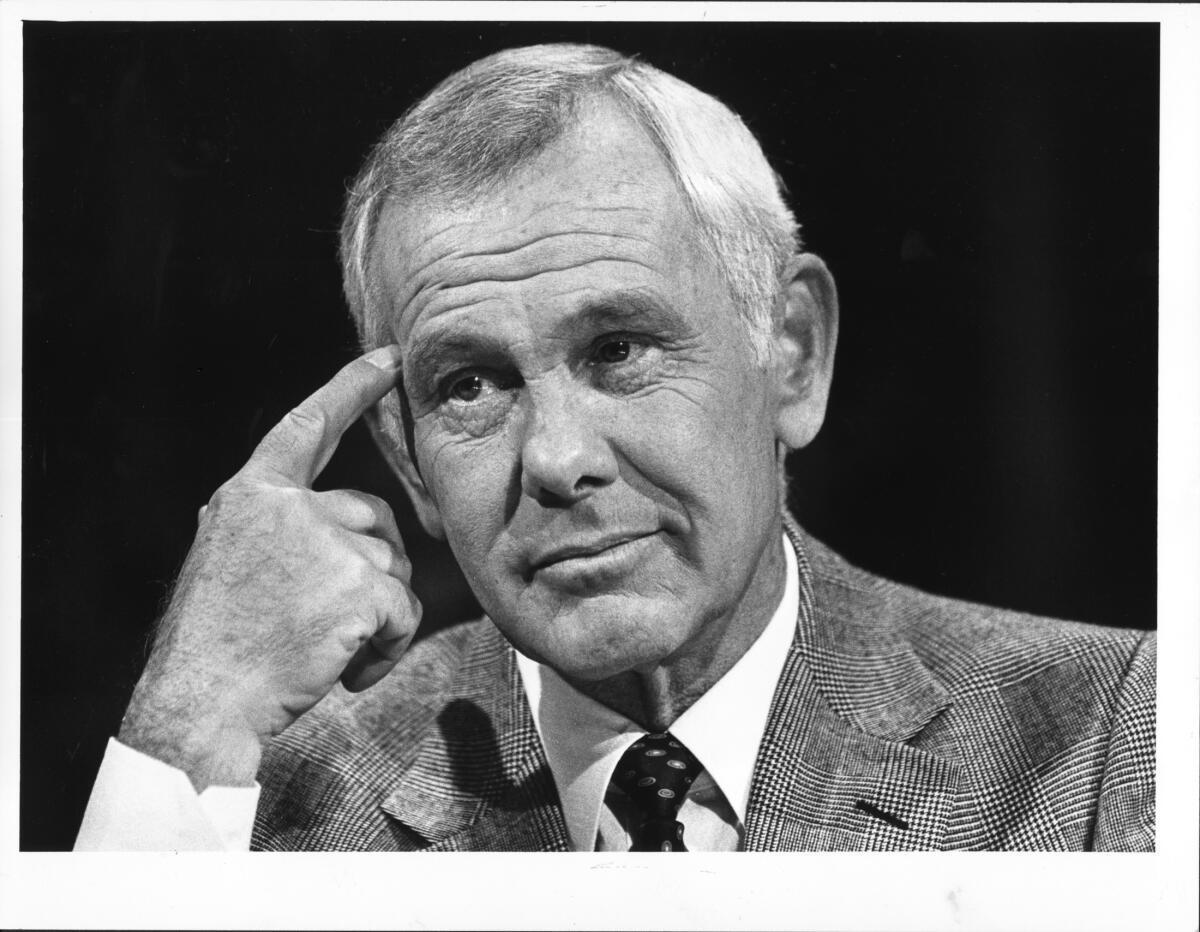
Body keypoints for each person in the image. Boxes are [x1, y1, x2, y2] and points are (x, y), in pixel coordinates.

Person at [75, 43, 1155, 852]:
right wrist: (190, 711)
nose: (557, 457)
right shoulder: (281, 800)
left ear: (792, 354)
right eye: (470, 385)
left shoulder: (1111, 737)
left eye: (619, 348)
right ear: (409, 465)